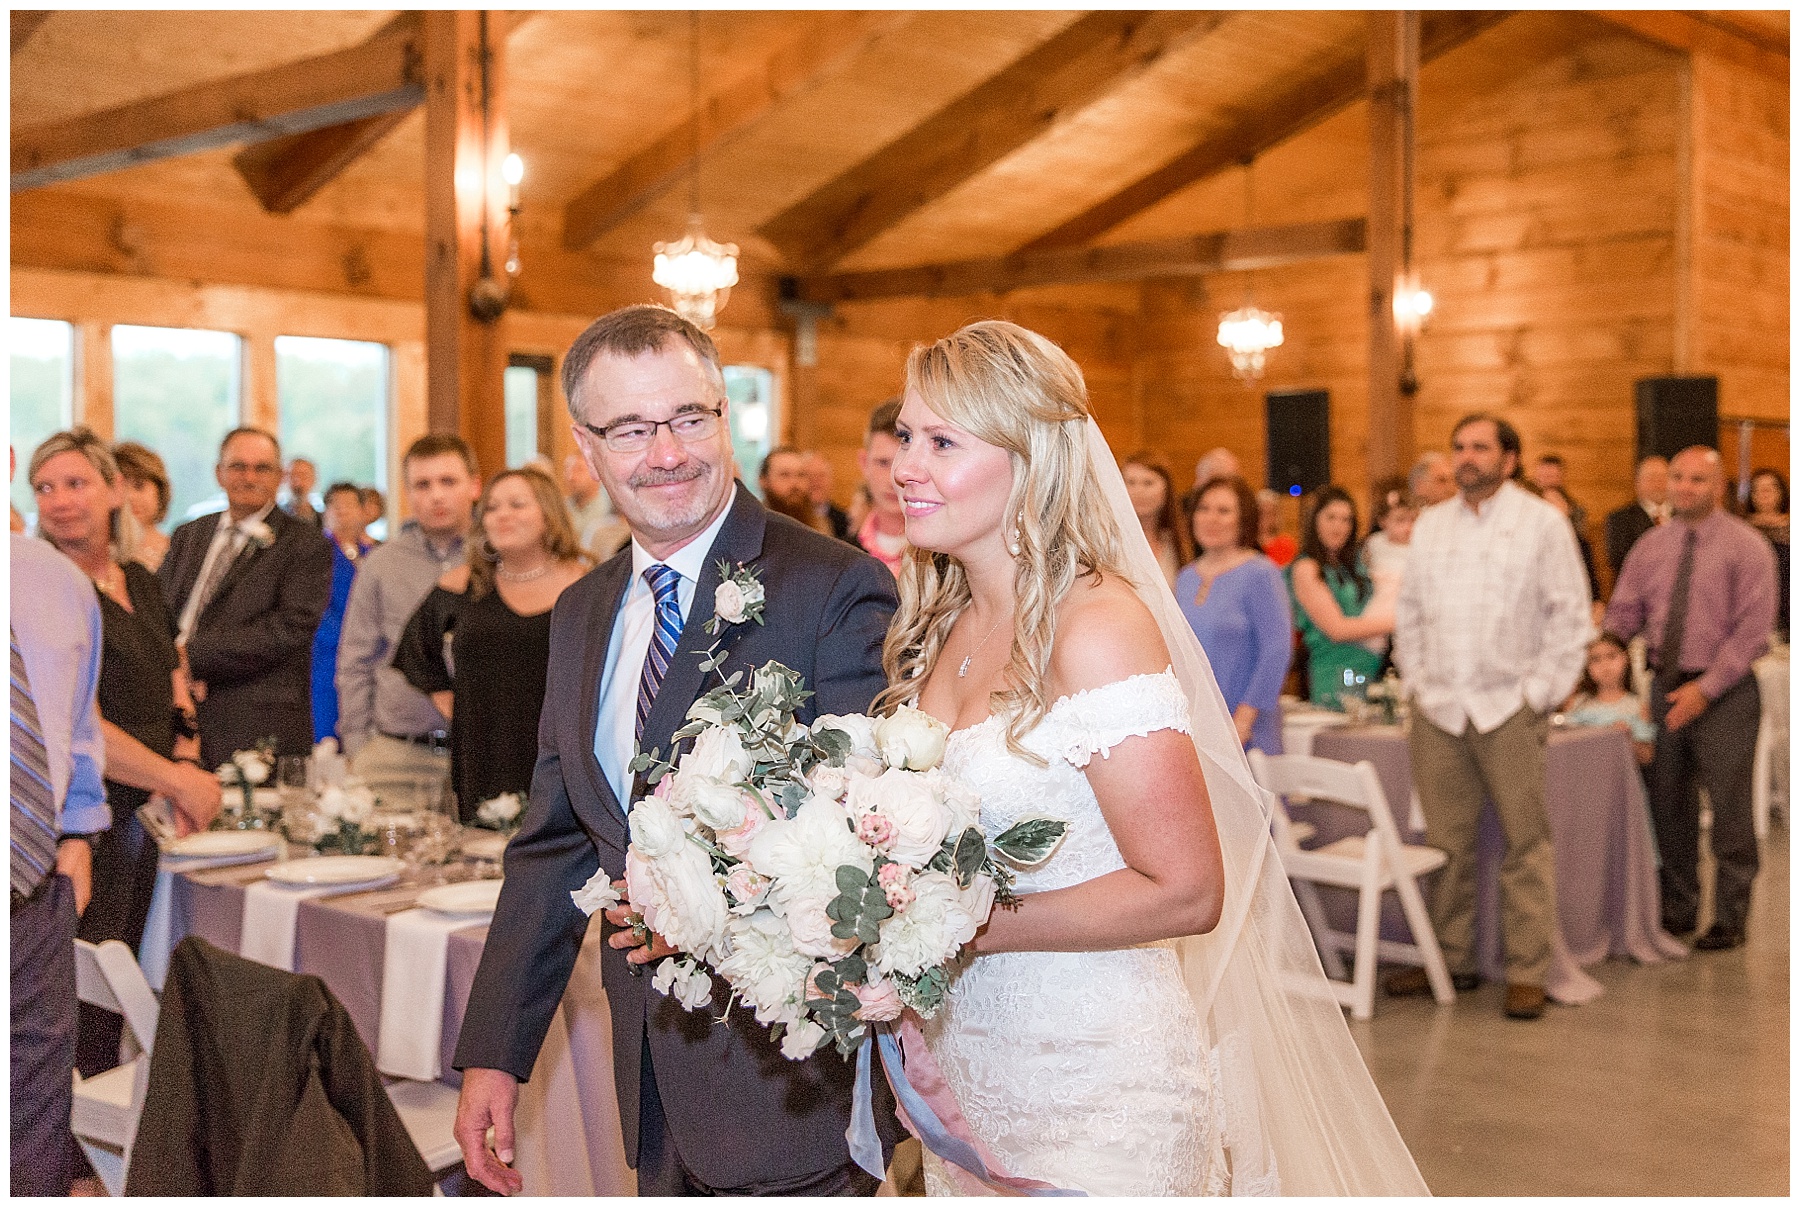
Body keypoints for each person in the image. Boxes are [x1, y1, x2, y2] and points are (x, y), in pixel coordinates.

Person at [880, 320, 1422, 1195]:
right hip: (969, 1080)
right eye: (907, 436)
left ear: (1031, 460)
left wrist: (955, 926)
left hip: (1094, 1085)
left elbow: (1187, 887)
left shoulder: (1096, 626)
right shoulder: (941, 625)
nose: (907, 463)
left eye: (942, 441)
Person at [452, 304, 903, 1196]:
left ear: (723, 416)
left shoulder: (832, 585)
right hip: (653, 1084)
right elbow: (554, 844)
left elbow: (863, 843)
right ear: (586, 447)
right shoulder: (581, 613)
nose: (667, 453)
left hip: (787, 1084)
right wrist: (495, 1054)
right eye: (631, 428)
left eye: (689, 418)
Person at [27, 430, 223, 1174]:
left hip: (153, 809)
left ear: (114, 489)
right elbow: (74, 723)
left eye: (75, 482)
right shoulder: (36, 585)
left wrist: (187, 754)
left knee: (152, 971)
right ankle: (71, 1166)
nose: (60, 499)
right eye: (45, 487)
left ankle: (158, 1141)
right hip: (85, 817)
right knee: (82, 999)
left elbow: (173, 673)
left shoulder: (139, 579)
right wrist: (173, 779)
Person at [1389, 413, 1592, 1020]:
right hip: (1441, 707)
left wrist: (1541, 692)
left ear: (1509, 459)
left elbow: (1570, 614)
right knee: (1447, 843)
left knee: (1525, 844)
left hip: (1510, 705)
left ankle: (1526, 970)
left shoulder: (1542, 523)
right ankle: (1451, 960)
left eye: (1480, 447)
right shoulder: (1431, 525)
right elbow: (1411, 612)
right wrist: (1420, 683)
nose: (1467, 458)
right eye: (1459, 448)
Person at [1606, 447, 1776, 952]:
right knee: (1668, 803)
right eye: (1677, 478)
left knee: (1728, 807)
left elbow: (1753, 631)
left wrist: (1704, 691)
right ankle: (1676, 910)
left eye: (1697, 480)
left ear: (1719, 485)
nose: (1684, 488)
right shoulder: (1650, 547)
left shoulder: (1748, 548)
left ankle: (1729, 917)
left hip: (1724, 690)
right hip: (1663, 685)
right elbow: (1624, 612)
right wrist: (1600, 650)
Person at [393, 468, 587, 821]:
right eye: (493, 507)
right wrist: (462, 706)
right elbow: (417, 655)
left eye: (517, 504)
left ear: (549, 513)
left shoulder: (587, 585)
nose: (502, 515)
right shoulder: (463, 585)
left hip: (562, 757)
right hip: (483, 752)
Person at [11, 533, 110, 1197]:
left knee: (36, 1120)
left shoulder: (55, 578)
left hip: (36, 886)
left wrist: (79, 829)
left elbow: (78, 721)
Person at [159, 428, 332, 766]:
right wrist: (169, 664)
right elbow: (162, 610)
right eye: (238, 466)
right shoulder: (189, 534)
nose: (249, 477)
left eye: (262, 468)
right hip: (174, 706)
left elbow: (289, 629)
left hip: (252, 714)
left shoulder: (305, 544)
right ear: (219, 473)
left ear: (280, 477)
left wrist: (192, 657)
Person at [336, 435, 481, 787]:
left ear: (475, 485)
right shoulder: (382, 564)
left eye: (448, 481)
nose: (436, 495)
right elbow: (356, 658)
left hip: (481, 752)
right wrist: (357, 744)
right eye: (422, 484)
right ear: (408, 492)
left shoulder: (497, 558)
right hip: (396, 754)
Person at [1175, 475, 1291, 754]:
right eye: (1203, 509)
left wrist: (1244, 719)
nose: (1211, 518)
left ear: (1244, 519)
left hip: (1245, 724)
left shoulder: (1260, 573)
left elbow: (1277, 650)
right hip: (1195, 720)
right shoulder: (1186, 578)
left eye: (1224, 511)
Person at [1287, 486, 1389, 709]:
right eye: (1331, 518)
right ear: (1314, 521)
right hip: (1334, 671)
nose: (1339, 526)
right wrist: (1398, 621)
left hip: (1371, 670)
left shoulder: (1352, 566)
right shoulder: (1307, 568)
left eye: (1346, 520)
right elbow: (1336, 629)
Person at [310, 482, 377, 744]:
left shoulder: (374, 554)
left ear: (364, 511)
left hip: (369, 653)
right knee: (327, 732)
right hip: (327, 653)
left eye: (349, 505)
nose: (342, 511)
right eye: (335, 505)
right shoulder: (316, 553)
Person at [1564, 632, 1654, 766]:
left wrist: (1627, 739)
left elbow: (1647, 757)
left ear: (1625, 658)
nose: (1605, 665)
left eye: (1611, 656)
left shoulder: (1638, 706)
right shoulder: (1576, 703)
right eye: (1596, 659)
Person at [855, 400, 908, 577]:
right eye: (883, 463)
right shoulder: (842, 553)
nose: (894, 479)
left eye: (903, 463)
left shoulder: (947, 558)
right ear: (864, 463)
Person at [1123, 450, 1191, 587]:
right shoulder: (1108, 542)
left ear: (1166, 489)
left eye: (1148, 483)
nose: (1138, 491)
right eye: (1130, 482)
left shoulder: (1176, 543)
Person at [111, 440, 173, 573]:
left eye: (139, 486)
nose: (130, 497)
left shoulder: (181, 549)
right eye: (121, 488)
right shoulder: (102, 553)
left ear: (160, 490)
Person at [1604, 455, 1669, 578]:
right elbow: (1619, 560)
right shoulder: (1620, 519)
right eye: (1651, 477)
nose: (1658, 483)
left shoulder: (1686, 517)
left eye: (1663, 477)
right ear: (1638, 483)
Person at [1745, 466, 1788, 640]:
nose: (1765, 493)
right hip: (1752, 605)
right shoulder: (1741, 530)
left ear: (1781, 492)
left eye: (1771, 487)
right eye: (1758, 488)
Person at [1541, 484, 1601, 606]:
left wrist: (1596, 604)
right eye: (1546, 503)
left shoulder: (1581, 543)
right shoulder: (1537, 545)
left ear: (1568, 507)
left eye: (1556, 501)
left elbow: (1591, 585)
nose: (1551, 507)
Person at [564, 450, 630, 560]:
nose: (571, 477)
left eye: (578, 470)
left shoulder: (611, 509)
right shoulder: (561, 509)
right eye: (567, 470)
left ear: (595, 473)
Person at [758, 445, 830, 534]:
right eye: (784, 475)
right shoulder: (755, 524)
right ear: (764, 481)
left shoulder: (820, 525)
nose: (795, 483)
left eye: (801, 475)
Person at [1529, 452, 1587, 532]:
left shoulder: (1575, 508)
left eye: (1550, 476)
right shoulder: (1526, 501)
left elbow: (1575, 535)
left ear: (1560, 476)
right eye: (1542, 476)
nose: (1545, 478)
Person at [804, 450, 853, 542]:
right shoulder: (792, 518)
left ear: (831, 480)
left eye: (821, 475)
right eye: (809, 475)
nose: (815, 481)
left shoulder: (846, 521)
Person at [1255, 487, 1298, 567]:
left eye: (1270, 513)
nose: (1265, 517)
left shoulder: (1287, 545)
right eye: (1261, 512)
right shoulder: (1245, 544)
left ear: (1277, 516)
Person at [282, 456, 321, 526]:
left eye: (304, 476)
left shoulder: (324, 521)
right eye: (293, 476)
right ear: (284, 479)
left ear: (314, 479)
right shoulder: (275, 517)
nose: (298, 482)